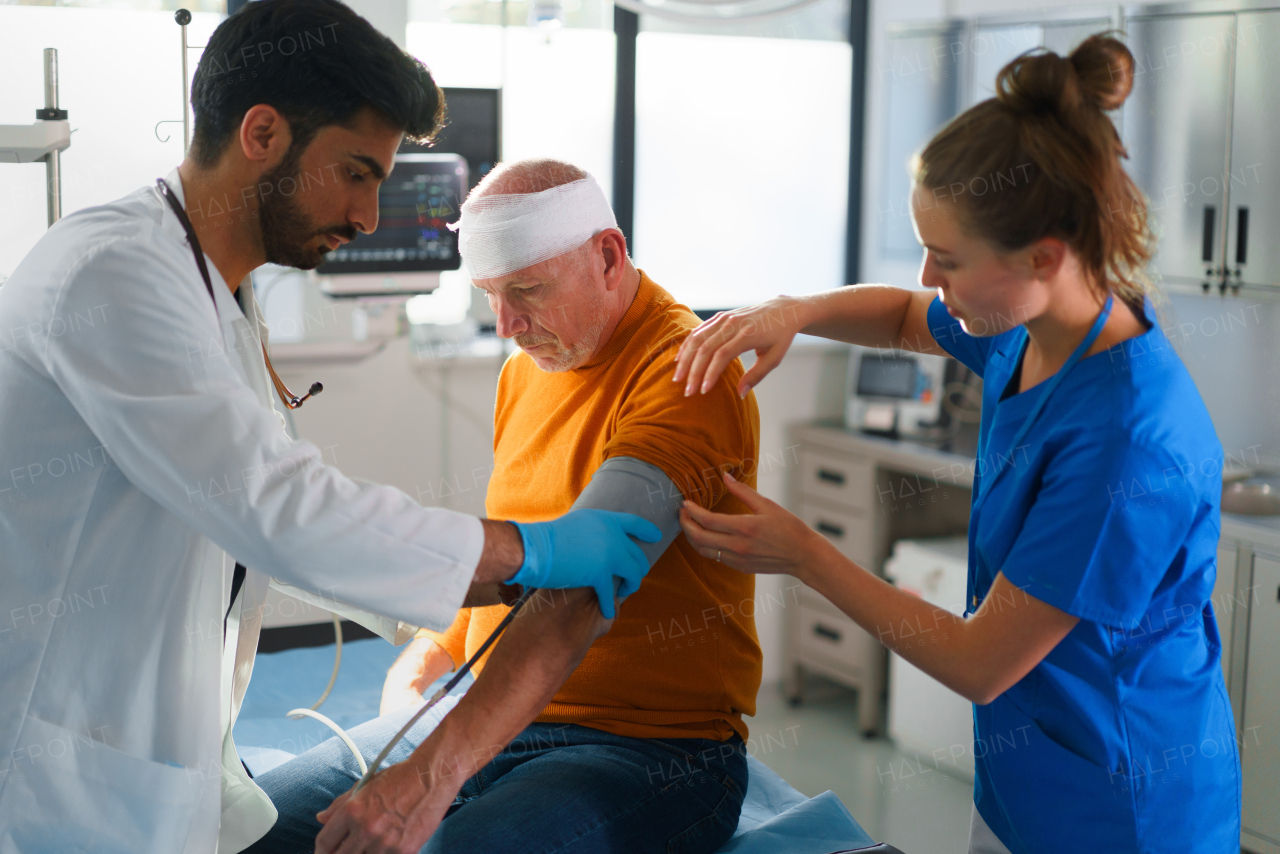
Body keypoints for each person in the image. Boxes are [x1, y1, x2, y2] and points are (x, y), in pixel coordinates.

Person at [0, 5, 656, 852]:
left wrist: (432, 628)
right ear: (263, 133)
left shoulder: (217, 298)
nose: (370, 215)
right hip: (56, 782)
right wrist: (529, 556)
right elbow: (281, 508)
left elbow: (268, 517)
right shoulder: (113, 276)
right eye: (355, 172)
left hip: (155, 757)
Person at [672, 34, 1238, 854]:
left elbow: (981, 662)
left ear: (1044, 256)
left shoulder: (1128, 441)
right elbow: (904, 318)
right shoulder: (1028, 328)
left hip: (1123, 806)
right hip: (1026, 775)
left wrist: (805, 553)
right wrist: (791, 310)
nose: (931, 280)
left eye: (946, 259)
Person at [242, 158, 763, 854]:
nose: (508, 323)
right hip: (491, 714)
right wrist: (432, 659)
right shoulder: (527, 368)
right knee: (254, 830)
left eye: (527, 289)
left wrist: (428, 776)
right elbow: (507, 573)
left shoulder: (687, 371)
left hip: (646, 747)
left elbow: (574, 598)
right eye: (489, 294)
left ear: (607, 256)